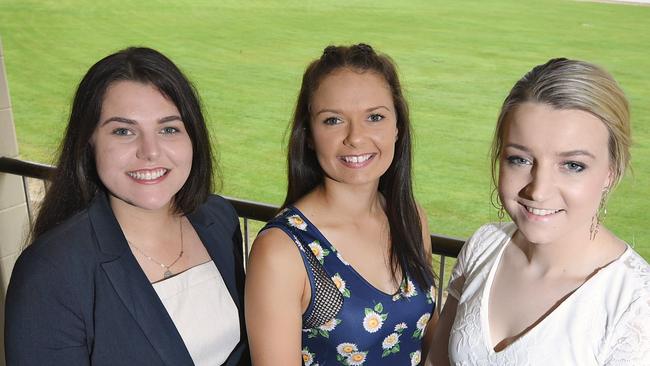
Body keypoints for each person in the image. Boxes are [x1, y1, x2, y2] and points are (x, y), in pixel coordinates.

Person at [5, 47, 250, 366]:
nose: (150, 151)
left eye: (168, 129)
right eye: (123, 131)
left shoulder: (219, 219)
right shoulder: (50, 272)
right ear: (88, 141)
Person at [427, 58, 650, 365]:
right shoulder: (483, 246)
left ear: (611, 172)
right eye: (520, 159)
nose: (539, 190)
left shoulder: (635, 305)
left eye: (573, 165)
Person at [245, 43, 437, 366]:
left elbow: (429, 344)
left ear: (397, 127)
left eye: (375, 117)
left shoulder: (411, 218)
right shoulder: (283, 250)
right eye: (333, 121)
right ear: (308, 134)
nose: (356, 137)